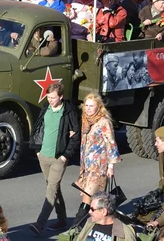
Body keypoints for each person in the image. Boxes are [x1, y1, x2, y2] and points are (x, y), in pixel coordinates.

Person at [28, 83, 80, 234]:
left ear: (61, 97)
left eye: (53, 97)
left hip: (59, 158)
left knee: (51, 189)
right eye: (48, 97)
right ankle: (62, 219)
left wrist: (65, 156)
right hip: (43, 156)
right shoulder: (46, 108)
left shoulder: (68, 111)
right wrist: (37, 150)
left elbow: (76, 135)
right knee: (53, 188)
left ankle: (40, 223)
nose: (50, 100)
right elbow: (38, 128)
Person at [73, 93, 120, 225]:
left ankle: (75, 227)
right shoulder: (86, 120)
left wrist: (111, 166)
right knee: (89, 197)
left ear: (98, 107)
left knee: (87, 198)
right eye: (86, 105)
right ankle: (93, 224)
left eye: (91, 106)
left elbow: (111, 143)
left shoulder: (104, 121)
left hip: (98, 167)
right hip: (87, 167)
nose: (88, 108)